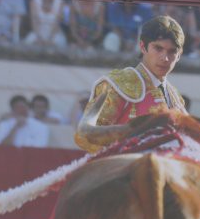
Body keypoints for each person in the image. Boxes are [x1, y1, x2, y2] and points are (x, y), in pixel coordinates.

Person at [75, 15, 187, 153]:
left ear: (179, 54)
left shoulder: (176, 97)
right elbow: (87, 140)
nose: (165, 58)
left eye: (172, 52)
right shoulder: (118, 84)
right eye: (158, 48)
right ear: (143, 46)